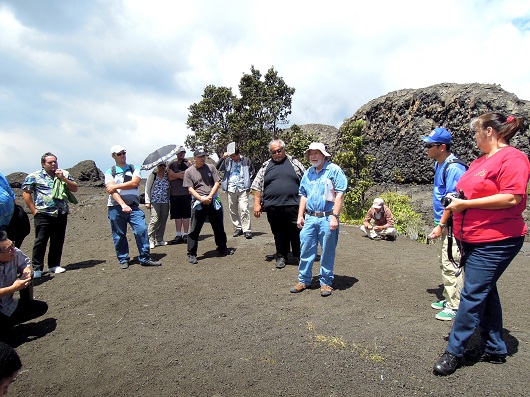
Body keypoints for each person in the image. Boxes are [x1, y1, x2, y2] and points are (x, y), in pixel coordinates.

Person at [433, 113, 530, 376]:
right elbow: (470, 191)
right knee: (485, 290)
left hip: (497, 239)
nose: (474, 137)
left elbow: (512, 197)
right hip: (472, 236)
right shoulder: (478, 162)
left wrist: (465, 204)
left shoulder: (513, 158)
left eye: (476, 131)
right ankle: (495, 348)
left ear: (489, 131)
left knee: (472, 293)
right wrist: (458, 199)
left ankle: (454, 351)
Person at [290, 143, 348, 297]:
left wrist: (335, 216)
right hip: (310, 217)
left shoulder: (334, 170)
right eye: (311, 153)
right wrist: (300, 216)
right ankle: (304, 280)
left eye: (317, 153)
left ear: (324, 155)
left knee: (327, 251)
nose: (313, 156)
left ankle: (326, 282)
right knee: (306, 249)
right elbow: (303, 195)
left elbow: (340, 194)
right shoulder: (308, 172)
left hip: (327, 217)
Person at [423, 127, 467, 321]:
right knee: (444, 261)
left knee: (451, 262)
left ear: (442, 147)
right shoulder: (439, 164)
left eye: (429, 145)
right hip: (443, 222)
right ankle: (448, 296)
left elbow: (452, 199)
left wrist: (441, 225)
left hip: (453, 224)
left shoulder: (454, 167)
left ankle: (455, 305)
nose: (426, 148)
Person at [105, 145, 161, 269]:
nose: (122, 155)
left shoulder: (133, 168)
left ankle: (145, 257)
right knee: (119, 234)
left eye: (124, 152)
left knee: (141, 230)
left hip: (134, 206)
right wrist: (122, 204)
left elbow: (135, 183)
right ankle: (123, 259)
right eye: (119, 153)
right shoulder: (110, 172)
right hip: (116, 207)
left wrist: (115, 186)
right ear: (113, 156)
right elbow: (112, 192)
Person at [251, 139, 306, 268]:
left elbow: (307, 179)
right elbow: (256, 186)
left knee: (296, 232)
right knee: (278, 232)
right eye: (273, 152)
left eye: (279, 151)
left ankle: (298, 256)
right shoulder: (266, 166)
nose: (277, 154)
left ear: (284, 150)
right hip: (272, 206)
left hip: (294, 204)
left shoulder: (294, 163)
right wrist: (256, 203)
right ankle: (281, 256)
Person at [22, 153, 78, 278]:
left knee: (57, 239)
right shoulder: (34, 176)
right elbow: (26, 193)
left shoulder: (64, 174)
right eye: (50, 162)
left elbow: (74, 188)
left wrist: (63, 178)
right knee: (41, 241)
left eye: (55, 161)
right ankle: (37, 268)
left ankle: (54, 264)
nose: (53, 164)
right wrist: (34, 210)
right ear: (43, 164)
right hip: (43, 213)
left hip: (60, 212)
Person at [183, 150, 234, 264]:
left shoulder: (211, 167)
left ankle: (222, 248)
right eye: (200, 156)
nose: (203, 158)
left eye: (204, 156)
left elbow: (217, 183)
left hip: (212, 199)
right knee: (195, 229)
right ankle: (192, 253)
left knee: (218, 226)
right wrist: (201, 199)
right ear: (195, 158)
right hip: (198, 201)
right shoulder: (189, 172)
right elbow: (190, 189)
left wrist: (209, 197)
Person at [0, 231, 48, 333]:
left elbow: (25, 264)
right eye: (9, 249)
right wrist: (13, 288)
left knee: (40, 308)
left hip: (7, 304)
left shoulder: (14, 252)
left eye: (12, 245)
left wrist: (26, 275)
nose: (13, 249)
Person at [216, 144, 255, 239]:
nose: (232, 158)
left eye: (234, 156)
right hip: (231, 188)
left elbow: (252, 172)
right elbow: (217, 167)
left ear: (238, 154)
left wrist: (250, 187)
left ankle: (247, 230)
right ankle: (238, 228)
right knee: (232, 209)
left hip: (243, 188)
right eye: (231, 156)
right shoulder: (227, 160)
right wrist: (223, 158)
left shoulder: (246, 160)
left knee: (244, 208)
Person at [167, 146, 192, 244]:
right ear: (176, 154)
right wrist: (179, 175)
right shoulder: (172, 165)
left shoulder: (188, 164)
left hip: (185, 193)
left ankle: (186, 234)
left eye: (183, 152)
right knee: (177, 215)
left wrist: (175, 174)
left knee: (186, 214)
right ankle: (178, 234)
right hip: (174, 193)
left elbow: (187, 176)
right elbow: (170, 177)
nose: (181, 154)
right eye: (180, 152)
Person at [145, 162, 170, 249]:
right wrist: (147, 201)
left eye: (164, 165)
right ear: (157, 166)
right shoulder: (153, 175)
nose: (162, 167)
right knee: (155, 219)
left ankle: (159, 239)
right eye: (160, 165)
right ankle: (151, 239)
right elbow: (147, 188)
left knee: (163, 219)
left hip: (165, 200)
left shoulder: (167, 176)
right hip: (155, 200)